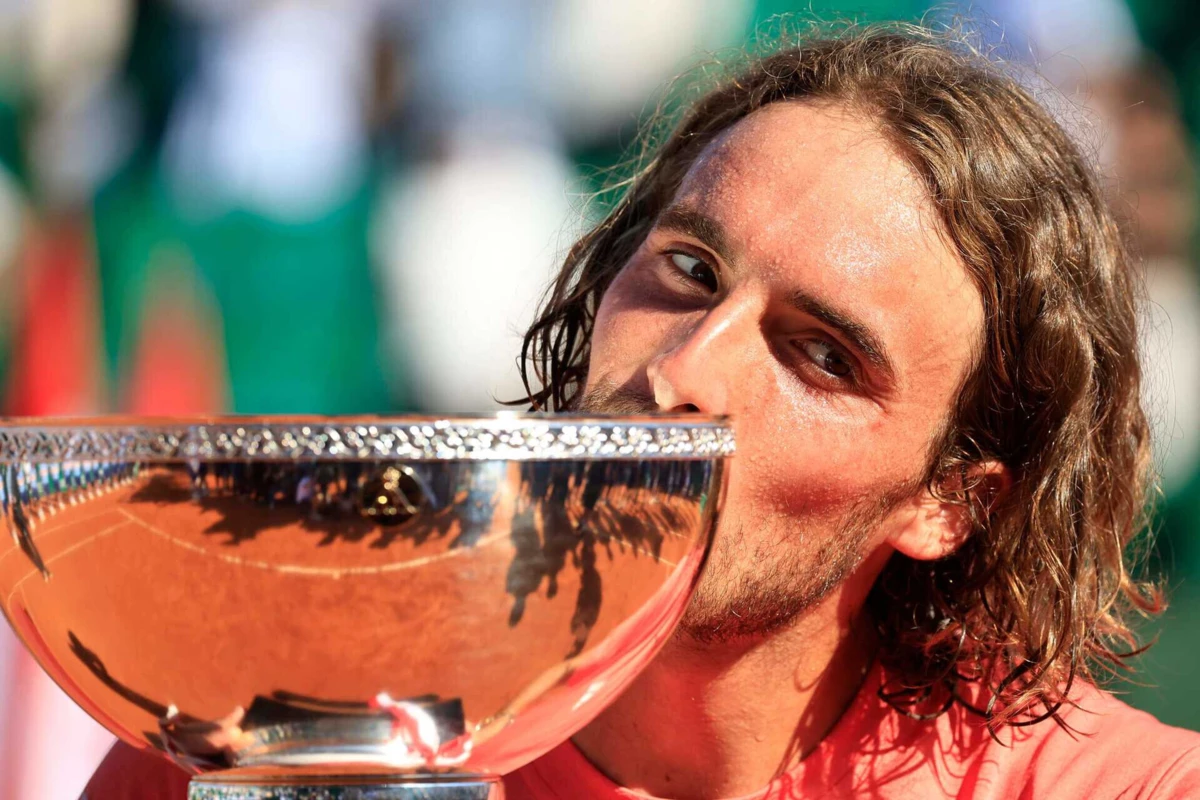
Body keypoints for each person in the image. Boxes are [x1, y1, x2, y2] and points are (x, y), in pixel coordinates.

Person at [85, 24, 1200, 800]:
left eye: (820, 354)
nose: (686, 369)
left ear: (951, 501)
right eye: (687, 268)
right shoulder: (282, 734)